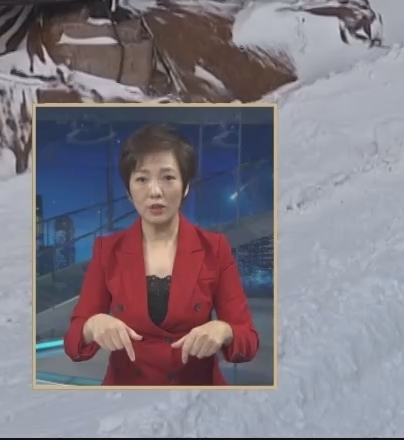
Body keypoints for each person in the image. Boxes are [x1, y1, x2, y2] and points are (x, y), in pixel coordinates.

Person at [62, 122, 261, 386]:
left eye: (168, 177)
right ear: (129, 192)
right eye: (142, 179)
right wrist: (92, 326)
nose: (155, 191)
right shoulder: (106, 250)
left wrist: (224, 331)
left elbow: (248, 339)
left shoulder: (215, 248)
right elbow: (73, 341)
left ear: (186, 186)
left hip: (198, 397)